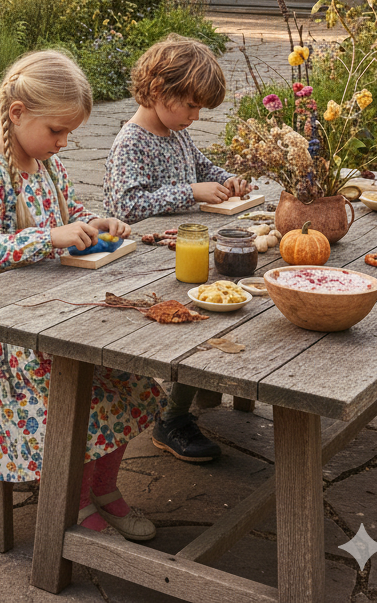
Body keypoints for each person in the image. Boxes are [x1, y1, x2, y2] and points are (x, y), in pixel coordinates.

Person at [0, 49, 164, 540]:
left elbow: (70, 213)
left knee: (128, 380)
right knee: (79, 402)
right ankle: (74, 501)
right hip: (2, 342)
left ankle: (103, 488)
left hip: (47, 317)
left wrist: (95, 223)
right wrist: (50, 238)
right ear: (17, 113)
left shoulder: (47, 164)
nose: (63, 142)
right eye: (56, 131)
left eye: (68, 133)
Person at [102, 33, 250, 463]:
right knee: (199, 319)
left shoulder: (176, 133)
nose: (195, 116)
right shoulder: (132, 141)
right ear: (158, 90)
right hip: (140, 264)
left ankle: (197, 389)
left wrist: (226, 180)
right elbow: (128, 205)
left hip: (178, 250)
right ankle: (171, 416)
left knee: (231, 296)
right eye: (190, 105)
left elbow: (202, 166)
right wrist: (191, 192)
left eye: (200, 108)